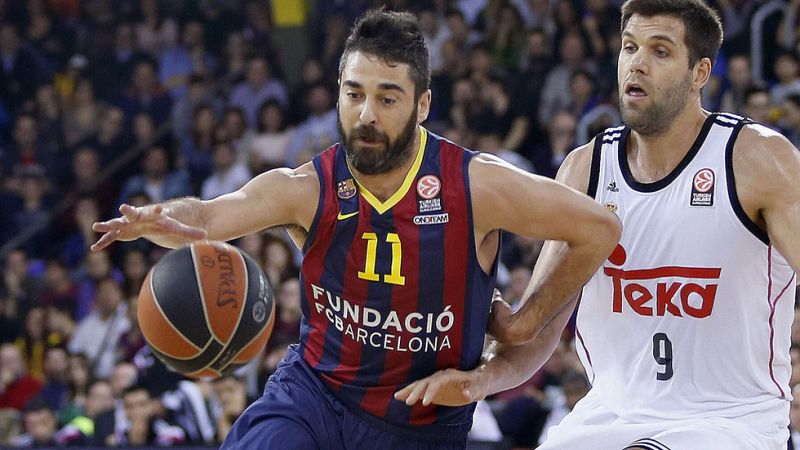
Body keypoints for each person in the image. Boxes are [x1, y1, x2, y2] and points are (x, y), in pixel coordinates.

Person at [91, 9, 620, 449]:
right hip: (313, 398)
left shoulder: (477, 185)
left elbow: (598, 228)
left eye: (387, 98)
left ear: (423, 104)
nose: (366, 114)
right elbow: (209, 217)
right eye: (353, 94)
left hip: (422, 425)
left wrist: (524, 326)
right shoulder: (307, 186)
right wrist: (163, 219)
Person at [397, 1, 800, 449]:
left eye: (660, 52)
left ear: (700, 73)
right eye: (630, 47)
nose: (638, 64)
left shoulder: (758, 160)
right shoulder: (585, 168)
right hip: (611, 416)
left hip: (730, 424)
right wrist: (480, 381)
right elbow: (539, 326)